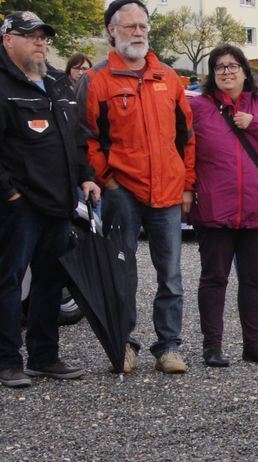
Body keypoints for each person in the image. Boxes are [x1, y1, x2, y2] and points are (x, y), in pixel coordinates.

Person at [78, 0, 196, 374]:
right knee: (121, 271)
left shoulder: (168, 78)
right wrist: (108, 181)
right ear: (112, 31)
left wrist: (186, 184)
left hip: (168, 191)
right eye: (129, 27)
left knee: (172, 274)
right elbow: (87, 138)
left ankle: (169, 346)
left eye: (143, 26)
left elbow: (187, 138)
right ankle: (123, 344)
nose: (139, 33)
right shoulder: (96, 80)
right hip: (122, 191)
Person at [0, 11, 100, 388]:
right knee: (9, 283)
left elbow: (73, 140)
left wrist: (86, 178)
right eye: (30, 36)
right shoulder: (3, 84)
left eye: (43, 37)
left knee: (49, 281)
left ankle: (43, 356)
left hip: (59, 203)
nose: (40, 43)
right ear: (8, 39)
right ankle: (8, 360)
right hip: (18, 206)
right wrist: (9, 193)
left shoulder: (56, 83)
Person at [189, 44, 258, 368]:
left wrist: (254, 123)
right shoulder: (198, 109)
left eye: (233, 65)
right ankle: (213, 347)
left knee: (255, 280)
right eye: (220, 66)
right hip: (214, 209)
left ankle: (254, 344)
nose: (226, 71)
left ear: (244, 71)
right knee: (213, 279)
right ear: (212, 73)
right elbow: (184, 150)